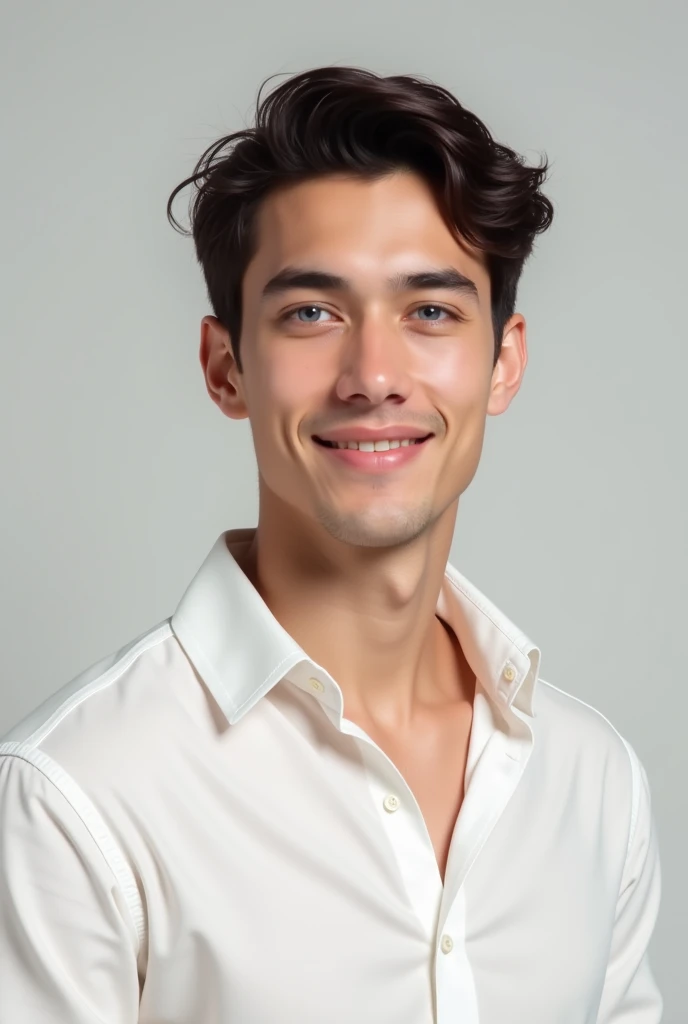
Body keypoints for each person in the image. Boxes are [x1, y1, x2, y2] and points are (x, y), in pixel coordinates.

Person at [0, 65, 662, 1023]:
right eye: (311, 312)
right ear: (227, 368)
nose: (373, 375)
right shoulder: (75, 798)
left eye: (430, 310)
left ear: (502, 360)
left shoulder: (593, 780)